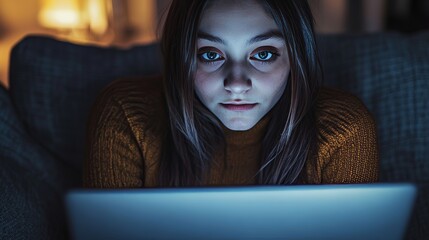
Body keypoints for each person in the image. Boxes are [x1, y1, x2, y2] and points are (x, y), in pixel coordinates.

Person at [83, 0, 379, 188]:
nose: (237, 84)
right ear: (181, 59)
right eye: (210, 54)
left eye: (263, 54)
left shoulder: (343, 130)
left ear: (296, 59)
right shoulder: (125, 116)